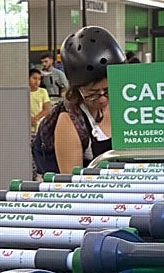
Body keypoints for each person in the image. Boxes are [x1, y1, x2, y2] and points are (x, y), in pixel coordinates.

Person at [32, 26, 124, 176]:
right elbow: (73, 182)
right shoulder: (69, 121)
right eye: (92, 93)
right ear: (77, 88)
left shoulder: (127, 105)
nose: (102, 99)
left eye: (108, 90)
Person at [28, 68, 50, 135]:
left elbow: (46, 109)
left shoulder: (43, 91)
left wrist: (36, 118)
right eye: (34, 78)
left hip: (39, 124)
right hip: (26, 124)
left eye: (39, 79)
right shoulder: (23, 92)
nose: (37, 81)